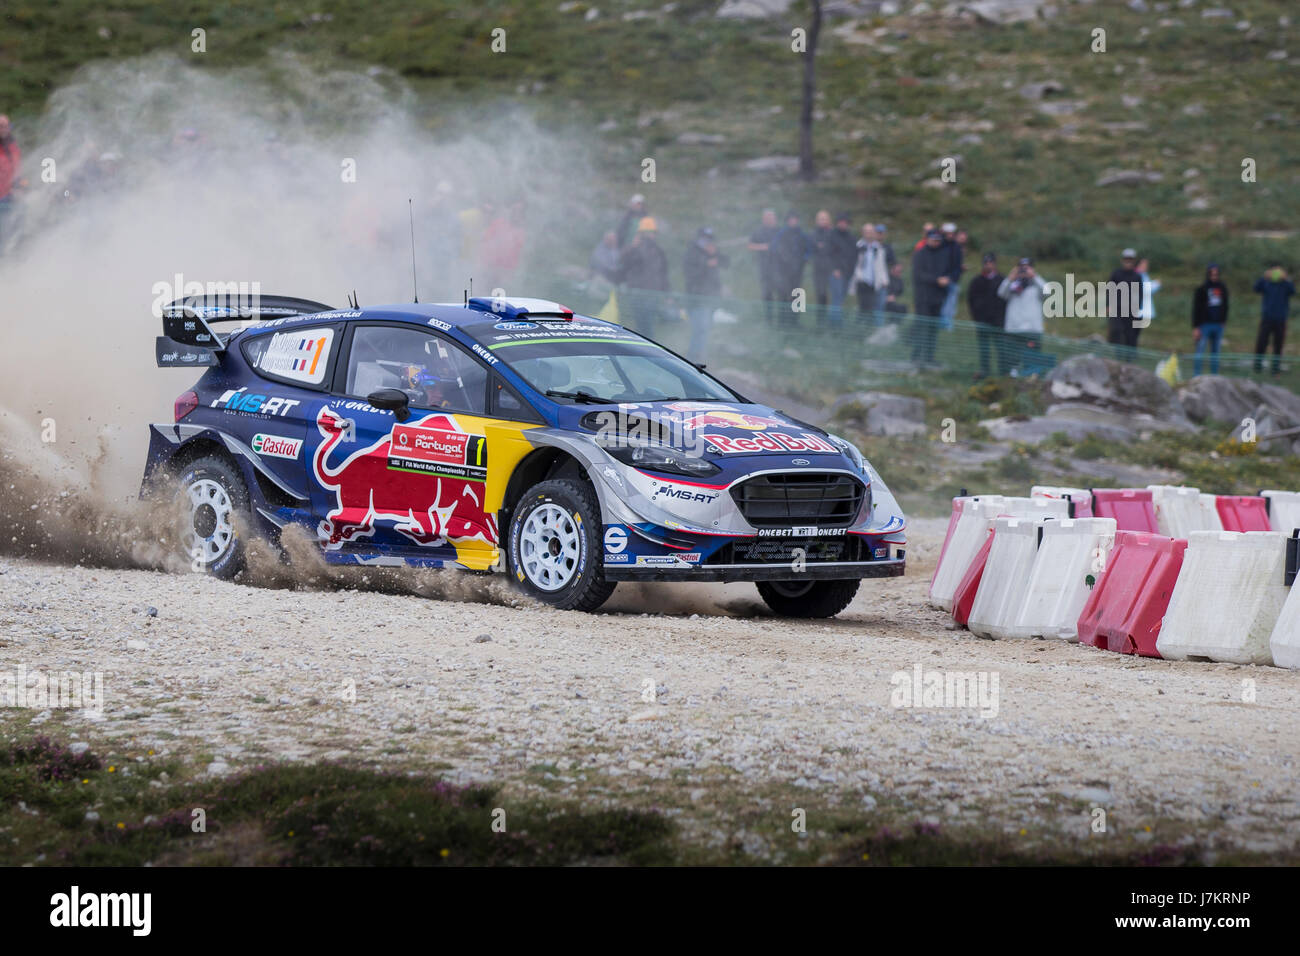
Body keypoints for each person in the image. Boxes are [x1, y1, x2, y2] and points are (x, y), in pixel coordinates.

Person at [616, 217, 670, 337]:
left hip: (652, 294)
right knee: (641, 325)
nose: (651, 236)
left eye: (652, 233)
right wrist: (632, 247)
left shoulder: (658, 251)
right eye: (648, 232)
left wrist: (667, 293)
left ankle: (647, 348)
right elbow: (622, 263)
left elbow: (663, 273)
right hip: (637, 293)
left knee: (647, 325)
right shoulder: (634, 249)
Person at [682, 226, 729, 361]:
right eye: (704, 239)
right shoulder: (692, 252)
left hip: (711, 298)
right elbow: (689, 275)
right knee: (700, 329)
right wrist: (706, 264)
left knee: (705, 329)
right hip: (696, 298)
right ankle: (693, 359)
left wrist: (714, 255)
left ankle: (700, 356)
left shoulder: (712, 252)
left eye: (709, 239)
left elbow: (726, 263)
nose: (707, 242)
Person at [998, 258, 1047, 375]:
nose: (1024, 270)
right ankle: (1012, 380)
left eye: (1027, 267)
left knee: (1032, 360)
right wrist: (1010, 279)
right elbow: (1001, 293)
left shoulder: (1037, 285)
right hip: (1014, 329)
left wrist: (1034, 276)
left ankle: (1031, 380)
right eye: (1022, 267)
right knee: (1012, 360)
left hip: (1032, 329)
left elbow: (1048, 291)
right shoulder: (1012, 285)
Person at [911, 228, 950, 365]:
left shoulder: (943, 255)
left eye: (938, 240)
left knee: (933, 329)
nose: (936, 242)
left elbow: (947, 271)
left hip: (937, 298)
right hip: (922, 298)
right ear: (927, 239)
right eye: (933, 240)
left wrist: (946, 280)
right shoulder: (919, 254)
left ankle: (929, 357)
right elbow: (918, 275)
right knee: (921, 327)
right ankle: (916, 356)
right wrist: (936, 280)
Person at [967, 252, 1007, 378]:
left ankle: (1003, 372)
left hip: (998, 321)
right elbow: (971, 300)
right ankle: (985, 370)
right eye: (986, 263)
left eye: (991, 263)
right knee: (984, 348)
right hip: (982, 320)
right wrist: (976, 317)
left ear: (995, 264)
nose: (989, 266)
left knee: (1001, 347)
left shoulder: (1002, 280)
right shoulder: (977, 281)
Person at [1252, 264, 1296, 375]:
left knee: (1278, 345)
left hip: (1281, 320)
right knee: (1261, 342)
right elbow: (1256, 288)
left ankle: (1275, 370)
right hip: (1267, 318)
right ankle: (1257, 366)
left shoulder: (1285, 284)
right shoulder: (1266, 282)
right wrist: (1264, 277)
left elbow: (1293, 291)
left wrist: (1286, 278)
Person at [769, 210, 809, 322]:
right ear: (787, 221)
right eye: (790, 219)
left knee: (798, 293)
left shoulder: (802, 234)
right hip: (783, 270)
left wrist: (803, 260)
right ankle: (782, 319)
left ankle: (795, 320)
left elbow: (808, 250)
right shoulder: (782, 233)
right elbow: (774, 248)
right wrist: (783, 258)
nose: (793, 221)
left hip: (798, 270)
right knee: (782, 293)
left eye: (795, 219)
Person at [1107, 247, 1145, 360]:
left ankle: (1130, 360)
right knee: (1116, 332)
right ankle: (1117, 358)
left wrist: (1138, 308)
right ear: (1123, 260)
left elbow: (1140, 293)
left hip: (1131, 311)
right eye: (1126, 259)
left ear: (1133, 261)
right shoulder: (1116, 274)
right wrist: (1109, 305)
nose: (1128, 261)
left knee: (1131, 336)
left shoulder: (1137, 276)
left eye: (1130, 259)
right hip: (1117, 310)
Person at [1191, 263, 1229, 376]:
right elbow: (1196, 308)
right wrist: (1196, 327)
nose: (1214, 276)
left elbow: (1226, 305)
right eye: (1212, 274)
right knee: (1200, 352)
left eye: (1216, 274)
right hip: (1204, 324)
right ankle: (1196, 376)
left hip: (1218, 324)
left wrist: (1223, 320)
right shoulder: (1202, 289)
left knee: (1215, 353)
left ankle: (1214, 376)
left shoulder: (1222, 288)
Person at [854, 223, 894, 325]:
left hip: (876, 282)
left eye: (871, 232)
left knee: (877, 306)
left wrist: (885, 280)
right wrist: (859, 277)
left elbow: (882, 266)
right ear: (862, 233)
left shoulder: (879, 248)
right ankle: (861, 327)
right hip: (862, 281)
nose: (869, 234)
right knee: (864, 306)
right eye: (866, 231)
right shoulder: (858, 246)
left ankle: (875, 328)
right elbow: (855, 264)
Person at [747, 209, 780, 322]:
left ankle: (783, 319)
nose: (770, 220)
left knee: (782, 293)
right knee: (767, 295)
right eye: (767, 218)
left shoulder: (780, 231)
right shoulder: (758, 231)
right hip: (764, 269)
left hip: (779, 269)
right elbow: (750, 246)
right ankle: (768, 319)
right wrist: (763, 247)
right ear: (763, 219)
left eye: (772, 218)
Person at [828, 212, 857, 326]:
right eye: (841, 222)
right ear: (837, 223)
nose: (843, 224)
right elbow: (828, 254)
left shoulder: (851, 238)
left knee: (841, 298)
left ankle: (836, 321)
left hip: (848, 273)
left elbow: (854, 255)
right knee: (837, 298)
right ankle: (835, 324)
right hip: (836, 273)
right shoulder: (832, 236)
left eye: (845, 222)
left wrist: (851, 271)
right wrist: (834, 269)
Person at [938, 222, 963, 331]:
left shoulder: (956, 248)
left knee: (950, 302)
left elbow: (957, 267)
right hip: (938, 279)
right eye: (948, 233)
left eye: (952, 233)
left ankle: (947, 323)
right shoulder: (939, 245)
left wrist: (950, 278)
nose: (950, 235)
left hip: (951, 280)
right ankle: (940, 322)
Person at [0, 114, 21, 241]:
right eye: (1, 126)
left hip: (11, 195)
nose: (4, 129)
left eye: (6, 126)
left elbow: (17, 170)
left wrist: (19, 186)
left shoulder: (13, 146)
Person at [1137, 257, 1161, 328]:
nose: (1146, 266)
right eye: (1144, 264)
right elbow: (1144, 290)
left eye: (1146, 265)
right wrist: (1156, 284)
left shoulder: (1144, 275)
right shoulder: (1137, 275)